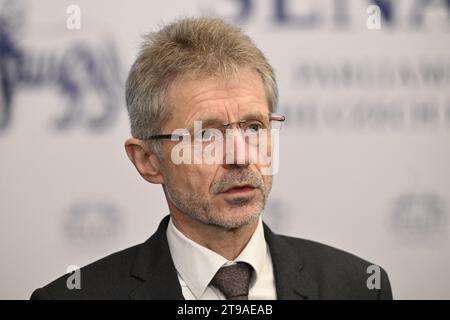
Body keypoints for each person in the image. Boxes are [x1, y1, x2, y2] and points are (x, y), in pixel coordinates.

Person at [31, 17, 392, 300]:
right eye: (206, 135)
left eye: (253, 127)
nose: (240, 157)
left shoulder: (357, 286)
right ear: (147, 160)